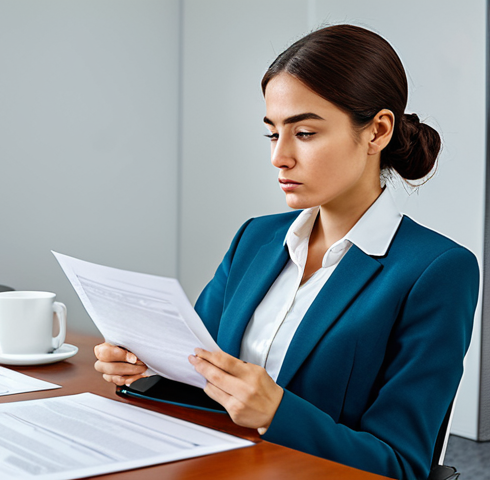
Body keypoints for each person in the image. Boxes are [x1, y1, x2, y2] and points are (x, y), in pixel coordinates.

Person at [93, 24, 479, 480]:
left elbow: (400, 464)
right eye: (272, 134)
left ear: (377, 131)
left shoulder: (436, 270)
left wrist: (277, 412)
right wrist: (146, 368)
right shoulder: (254, 239)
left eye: (306, 133)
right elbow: (199, 379)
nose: (280, 156)